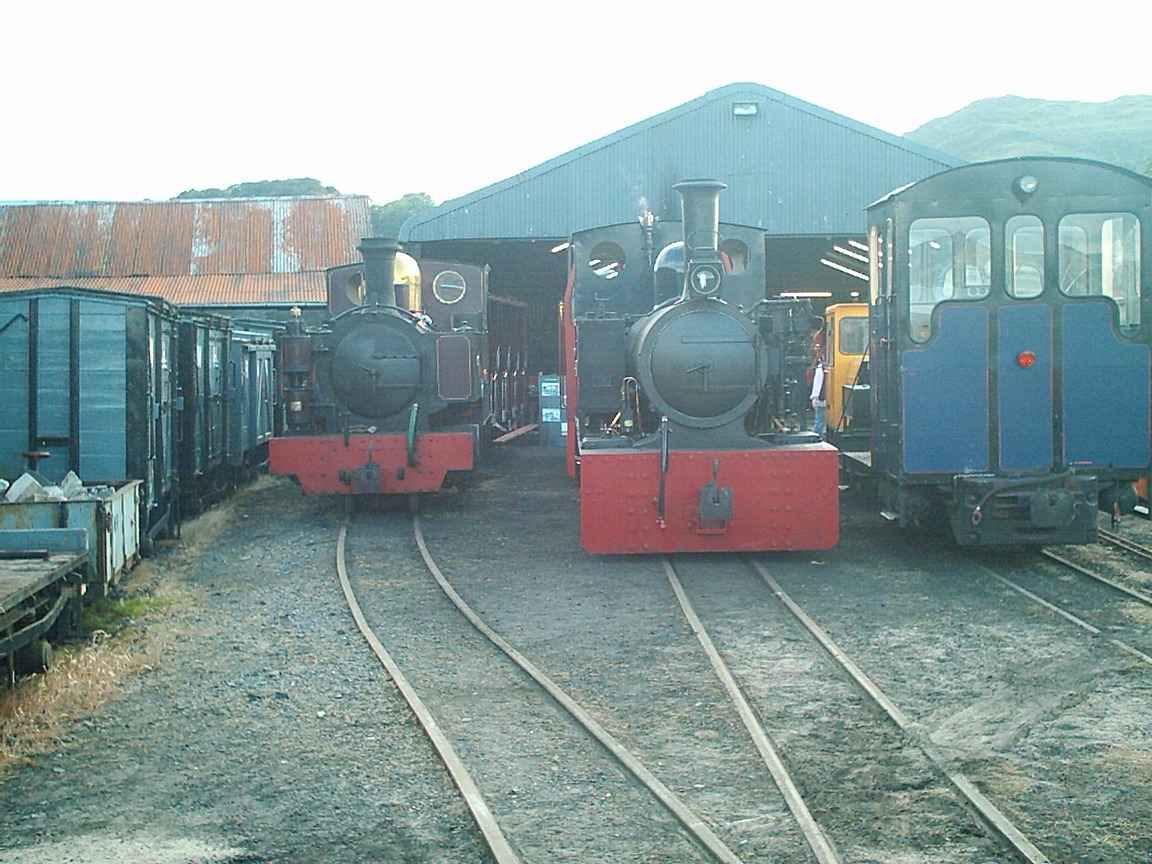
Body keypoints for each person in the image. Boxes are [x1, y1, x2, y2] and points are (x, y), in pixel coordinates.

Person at [810, 356, 827, 439]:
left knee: (819, 421)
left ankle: (817, 438)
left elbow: (817, 384)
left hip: (822, 399)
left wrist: (814, 397)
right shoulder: (825, 368)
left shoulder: (821, 368)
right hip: (828, 399)